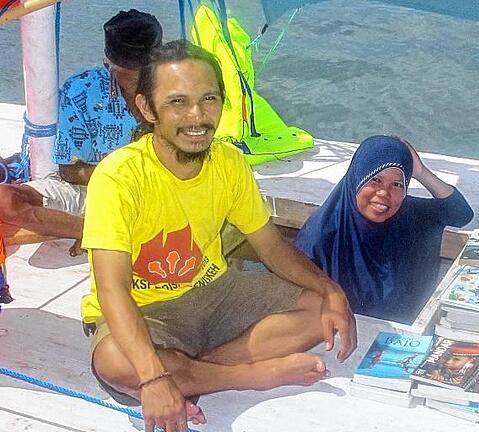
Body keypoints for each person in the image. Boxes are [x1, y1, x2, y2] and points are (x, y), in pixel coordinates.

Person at [81, 40, 357, 432]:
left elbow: (271, 247)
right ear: (146, 108)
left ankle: (193, 372)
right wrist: (155, 377)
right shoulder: (118, 178)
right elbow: (113, 291)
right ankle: (250, 375)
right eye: (178, 102)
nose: (197, 116)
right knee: (115, 361)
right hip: (145, 309)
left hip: (213, 291)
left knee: (320, 311)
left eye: (208, 98)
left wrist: (330, 288)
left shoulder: (228, 161)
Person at [0, 9, 162, 256]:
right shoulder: (82, 90)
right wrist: (119, 181)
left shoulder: (176, 90)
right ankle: (95, 232)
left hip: (156, 196)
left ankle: (115, 231)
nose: (133, 76)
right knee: (6, 200)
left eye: (141, 69)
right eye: (125, 69)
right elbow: (69, 170)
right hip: (92, 192)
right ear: (108, 62)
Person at [294, 135, 473, 323]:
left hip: (409, 333)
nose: (384, 194)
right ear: (357, 178)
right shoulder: (322, 234)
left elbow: (461, 214)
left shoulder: (409, 215)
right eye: (375, 180)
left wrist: (420, 172)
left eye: (397, 185)